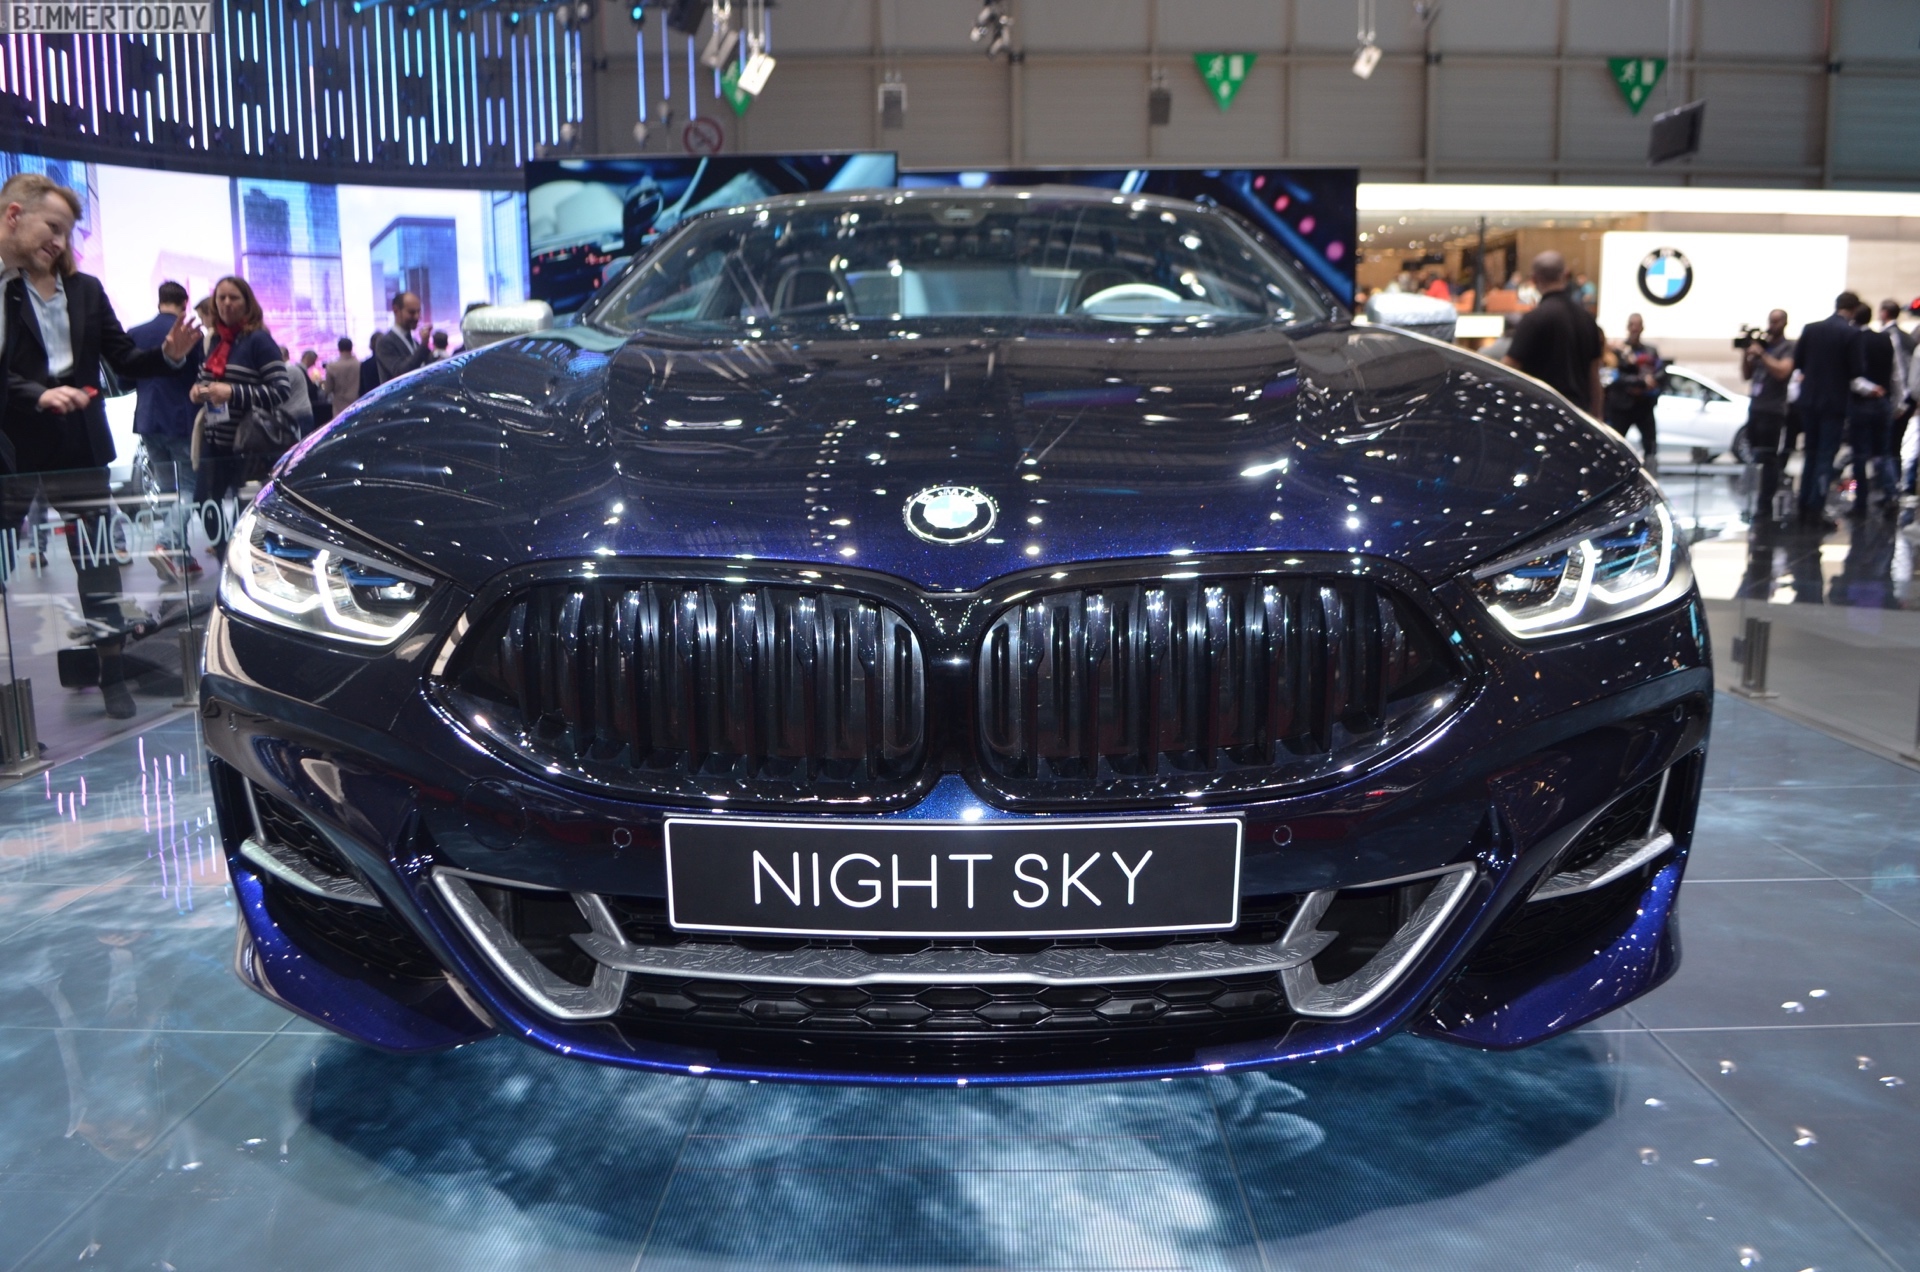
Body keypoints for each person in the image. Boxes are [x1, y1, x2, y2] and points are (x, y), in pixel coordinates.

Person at [4, 210, 198, 717]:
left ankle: (113, 673)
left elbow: (125, 360)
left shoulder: (85, 290)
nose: (60, 238)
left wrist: (169, 356)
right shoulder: (6, 291)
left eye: (66, 229)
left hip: (81, 447)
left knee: (98, 564)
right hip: (13, 449)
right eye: (52, 226)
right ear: (15, 218)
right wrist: (36, 395)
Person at [191, 275, 292, 557]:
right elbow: (207, 379)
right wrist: (198, 390)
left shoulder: (258, 340)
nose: (226, 303)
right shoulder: (216, 340)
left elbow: (281, 390)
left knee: (244, 511)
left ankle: (243, 560)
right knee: (203, 500)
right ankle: (227, 555)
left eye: (233, 297)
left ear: (247, 303)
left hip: (247, 445)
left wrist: (233, 392)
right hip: (215, 440)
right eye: (221, 298)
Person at [127, 281, 203, 580]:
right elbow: (199, 376)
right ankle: (167, 544)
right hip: (181, 419)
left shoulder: (136, 333)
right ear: (185, 302)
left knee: (168, 490)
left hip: (148, 419)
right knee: (189, 487)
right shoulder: (190, 333)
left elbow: (126, 378)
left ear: (159, 300)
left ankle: (182, 557)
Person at [1793, 291, 1865, 526]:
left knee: (1810, 454)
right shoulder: (1851, 334)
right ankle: (1816, 506)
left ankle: (1803, 503)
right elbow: (1857, 370)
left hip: (1810, 400)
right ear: (1854, 309)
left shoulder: (1811, 329)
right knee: (1825, 456)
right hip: (1833, 404)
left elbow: (1799, 362)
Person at [1503, 250, 1604, 417]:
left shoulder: (1533, 319)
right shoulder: (1587, 319)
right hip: (1578, 416)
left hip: (1542, 415)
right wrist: (1597, 418)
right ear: (1566, 275)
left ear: (1534, 279)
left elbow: (1509, 368)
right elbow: (1594, 375)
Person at [1741, 308, 1794, 522]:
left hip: (1773, 410)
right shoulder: (1763, 345)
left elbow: (1782, 372)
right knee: (1753, 455)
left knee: (1769, 457)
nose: (1772, 326)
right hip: (1756, 406)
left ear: (1784, 323)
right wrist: (1747, 352)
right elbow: (1746, 374)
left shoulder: (1788, 347)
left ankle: (1765, 502)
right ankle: (1751, 499)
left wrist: (1762, 354)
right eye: (1770, 321)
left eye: (1776, 322)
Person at [1846, 303, 1897, 516]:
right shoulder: (1884, 338)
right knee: (1882, 453)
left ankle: (1860, 502)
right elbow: (1895, 373)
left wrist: (1869, 390)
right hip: (1883, 403)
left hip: (1861, 403)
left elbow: (1852, 375)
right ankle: (1891, 494)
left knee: (1860, 455)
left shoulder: (1854, 339)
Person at [1605, 312, 1664, 473]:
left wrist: (1649, 382)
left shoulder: (1650, 351)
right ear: (1628, 327)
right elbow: (1616, 376)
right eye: (1632, 325)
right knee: (1616, 444)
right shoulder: (1618, 351)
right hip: (1622, 407)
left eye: (1637, 325)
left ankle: (1650, 476)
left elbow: (1661, 373)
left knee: (1650, 446)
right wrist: (1642, 381)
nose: (1635, 329)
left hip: (1644, 406)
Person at [372, 290, 435, 384]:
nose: (417, 317)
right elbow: (400, 372)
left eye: (418, 312)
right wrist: (423, 345)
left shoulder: (414, 341)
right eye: (411, 312)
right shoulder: (384, 342)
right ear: (396, 310)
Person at [325, 336, 361, 416]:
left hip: (339, 408)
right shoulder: (359, 364)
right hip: (357, 405)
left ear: (339, 349)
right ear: (351, 348)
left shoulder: (332, 367)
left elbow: (328, 389)